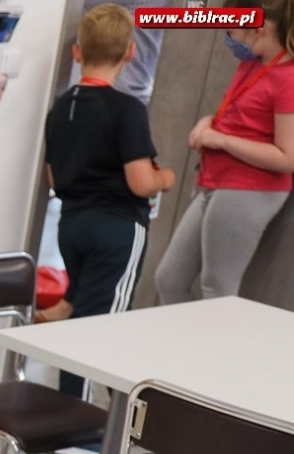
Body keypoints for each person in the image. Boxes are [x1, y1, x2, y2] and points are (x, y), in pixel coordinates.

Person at [41, 3, 175, 398]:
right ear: (131, 52)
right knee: (103, 326)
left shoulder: (62, 106)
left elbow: (53, 175)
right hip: (115, 228)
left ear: (77, 51)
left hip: (72, 225)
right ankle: (80, 424)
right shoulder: (127, 109)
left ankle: (90, 417)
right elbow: (139, 181)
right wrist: (165, 178)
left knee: (89, 315)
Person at [155, 0, 294, 305]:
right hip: (214, 180)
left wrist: (221, 140)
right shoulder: (252, 64)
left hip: (249, 189)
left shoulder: (287, 78)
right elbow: (235, 113)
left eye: (232, 29)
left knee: (218, 289)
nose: (229, 36)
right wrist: (209, 123)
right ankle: (186, 347)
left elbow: (287, 157)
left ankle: (208, 351)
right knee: (169, 278)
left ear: (257, 29)